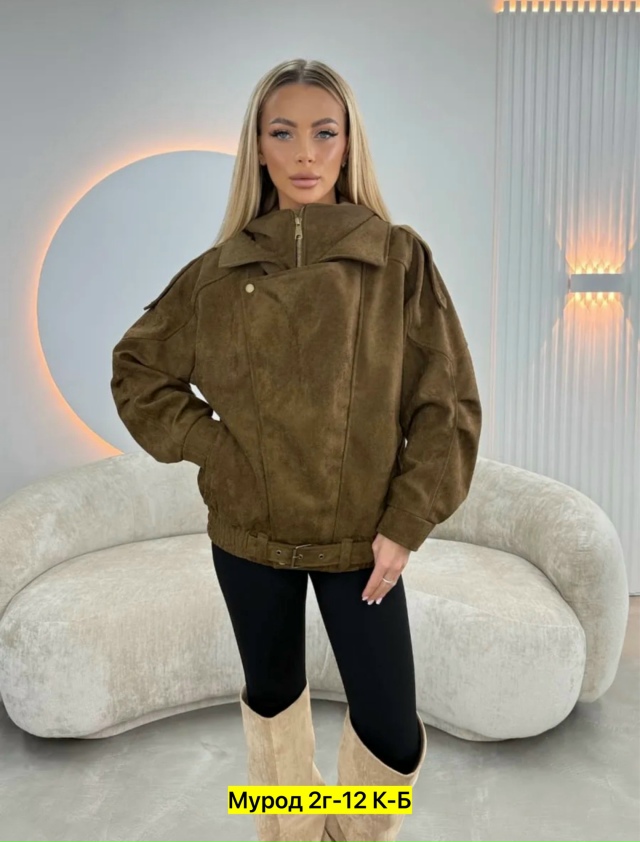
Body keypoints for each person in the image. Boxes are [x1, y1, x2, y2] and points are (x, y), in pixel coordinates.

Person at [111, 57, 482, 842]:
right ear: (259, 146)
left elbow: (445, 405)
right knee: (273, 708)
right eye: (284, 133)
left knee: (393, 733)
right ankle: (286, 831)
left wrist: (406, 522)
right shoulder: (217, 274)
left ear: (349, 144)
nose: (305, 153)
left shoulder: (399, 260)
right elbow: (137, 369)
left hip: (362, 541)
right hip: (248, 536)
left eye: (324, 133)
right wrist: (215, 447)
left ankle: (343, 832)